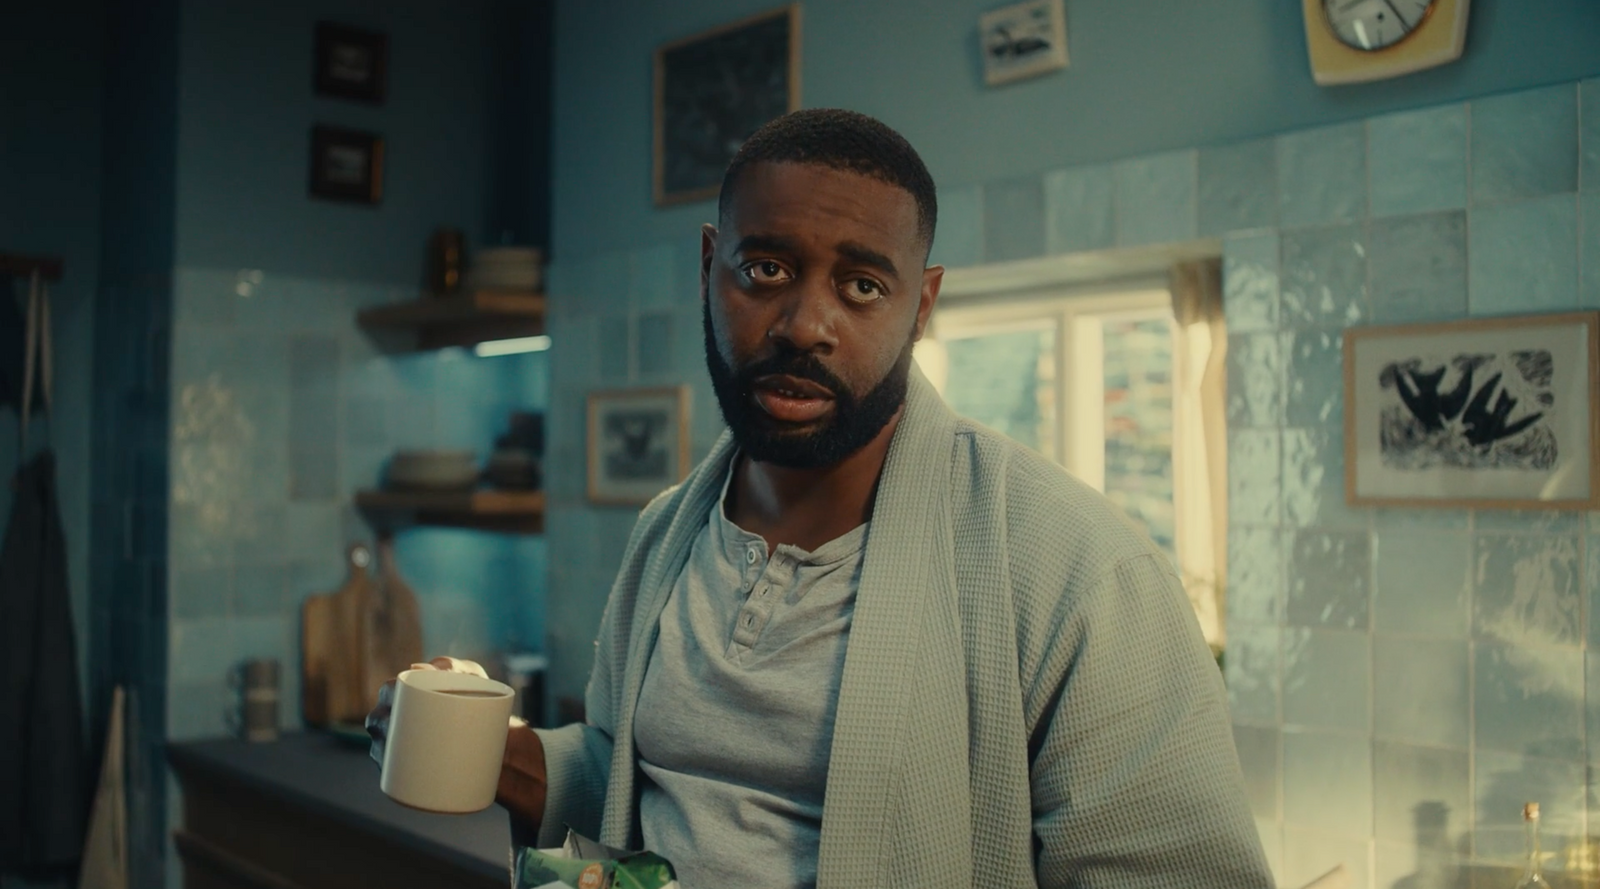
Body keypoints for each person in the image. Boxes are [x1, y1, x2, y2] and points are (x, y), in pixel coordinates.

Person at [369, 108, 1273, 889]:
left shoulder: (1075, 568)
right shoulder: (666, 535)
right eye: (765, 270)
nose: (805, 324)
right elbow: (642, 783)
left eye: (862, 284)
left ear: (920, 306)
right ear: (709, 266)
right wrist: (518, 759)